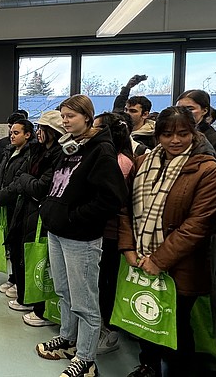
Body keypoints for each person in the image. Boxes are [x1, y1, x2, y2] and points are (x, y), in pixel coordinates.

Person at [120, 106, 216, 377]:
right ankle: (149, 366)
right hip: (141, 258)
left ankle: (179, 371)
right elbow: (125, 209)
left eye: (182, 133)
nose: (175, 140)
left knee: (175, 323)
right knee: (144, 314)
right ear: (157, 136)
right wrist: (128, 247)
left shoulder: (207, 169)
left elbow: (198, 224)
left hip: (181, 264)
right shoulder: (143, 163)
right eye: (167, 134)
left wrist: (159, 260)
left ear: (194, 133)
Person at [35, 94, 127, 377]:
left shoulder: (101, 151)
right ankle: (67, 338)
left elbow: (112, 198)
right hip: (58, 232)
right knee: (63, 291)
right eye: (62, 116)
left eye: (70, 116)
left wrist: (74, 217)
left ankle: (86, 359)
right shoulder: (70, 148)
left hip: (81, 238)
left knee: (85, 301)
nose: (64, 121)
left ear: (87, 117)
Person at [177, 89, 216, 373]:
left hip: (209, 231)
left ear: (204, 111)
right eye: (180, 108)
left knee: (210, 292)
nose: (186, 115)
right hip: (175, 230)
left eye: (190, 109)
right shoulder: (177, 143)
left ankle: (209, 351)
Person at [12, 110, 66, 327]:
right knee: (23, 254)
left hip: (41, 214)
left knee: (40, 262)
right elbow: (24, 178)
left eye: (42, 128)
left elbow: (40, 187)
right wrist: (27, 180)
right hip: (27, 209)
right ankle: (28, 298)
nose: (38, 132)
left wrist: (26, 179)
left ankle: (41, 310)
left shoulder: (58, 155)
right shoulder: (38, 151)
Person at [93, 112, 135, 355]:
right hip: (101, 229)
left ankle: (108, 330)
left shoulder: (120, 161)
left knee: (106, 282)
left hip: (110, 231)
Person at [0, 119, 35, 307]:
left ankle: (19, 281)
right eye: (11, 132)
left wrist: (1, 196)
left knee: (18, 246)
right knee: (11, 244)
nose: (12, 135)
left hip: (18, 205)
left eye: (16, 132)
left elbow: (18, 182)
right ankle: (14, 277)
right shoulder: (9, 151)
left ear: (27, 135)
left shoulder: (29, 154)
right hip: (5, 203)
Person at [113, 75, 156, 151]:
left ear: (145, 114)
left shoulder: (152, 137)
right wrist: (127, 88)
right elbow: (117, 110)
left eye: (133, 111)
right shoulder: (120, 129)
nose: (127, 113)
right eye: (126, 110)